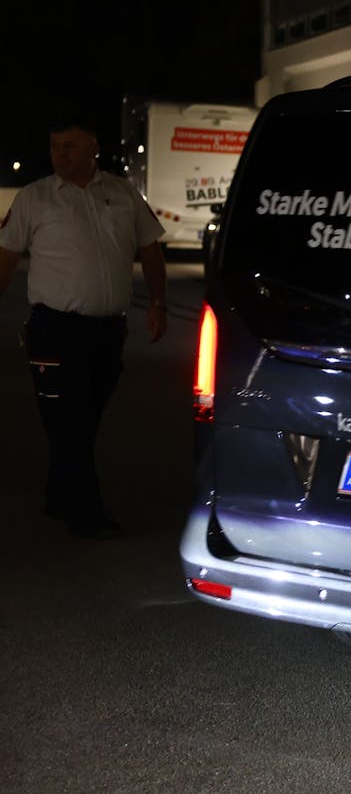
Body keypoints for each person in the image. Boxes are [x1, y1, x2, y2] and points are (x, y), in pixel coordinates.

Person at [0, 114, 168, 539]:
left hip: (107, 332)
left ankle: (59, 493)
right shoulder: (35, 198)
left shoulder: (122, 193)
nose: (61, 154)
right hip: (55, 331)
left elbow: (150, 248)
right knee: (68, 420)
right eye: (56, 146)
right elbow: (6, 258)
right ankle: (85, 513)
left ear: (93, 147)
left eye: (71, 146)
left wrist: (159, 302)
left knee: (85, 418)